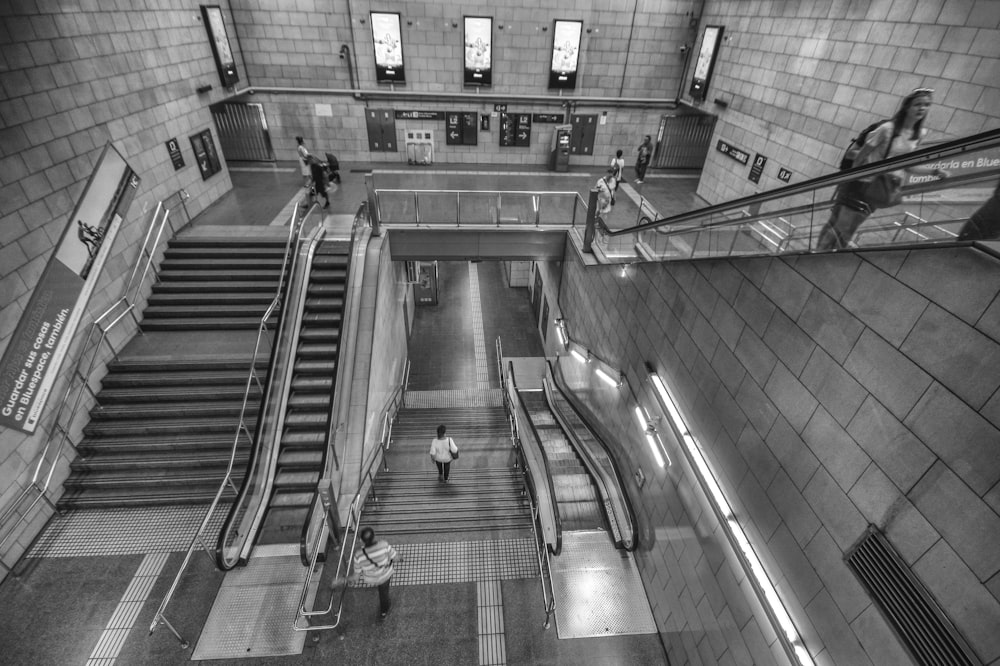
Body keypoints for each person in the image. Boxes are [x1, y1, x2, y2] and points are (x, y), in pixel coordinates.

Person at [816, 88, 948, 250]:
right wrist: (853, 179)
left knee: (849, 229)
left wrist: (934, 172)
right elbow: (858, 156)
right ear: (907, 107)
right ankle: (817, 254)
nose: (922, 108)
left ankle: (826, 256)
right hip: (861, 183)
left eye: (927, 105)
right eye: (917, 104)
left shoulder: (918, 134)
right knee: (840, 227)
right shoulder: (887, 129)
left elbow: (908, 165)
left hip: (879, 187)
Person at [351, 527, 398, 619]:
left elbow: (356, 577)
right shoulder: (384, 545)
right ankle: (384, 611)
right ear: (374, 536)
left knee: (379, 584)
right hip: (385, 576)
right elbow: (395, 557)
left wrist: (341, 580)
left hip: (371, 579)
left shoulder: (358, 555)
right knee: (384, 593)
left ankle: (377, 586)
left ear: (361, 540)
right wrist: (400, 558)